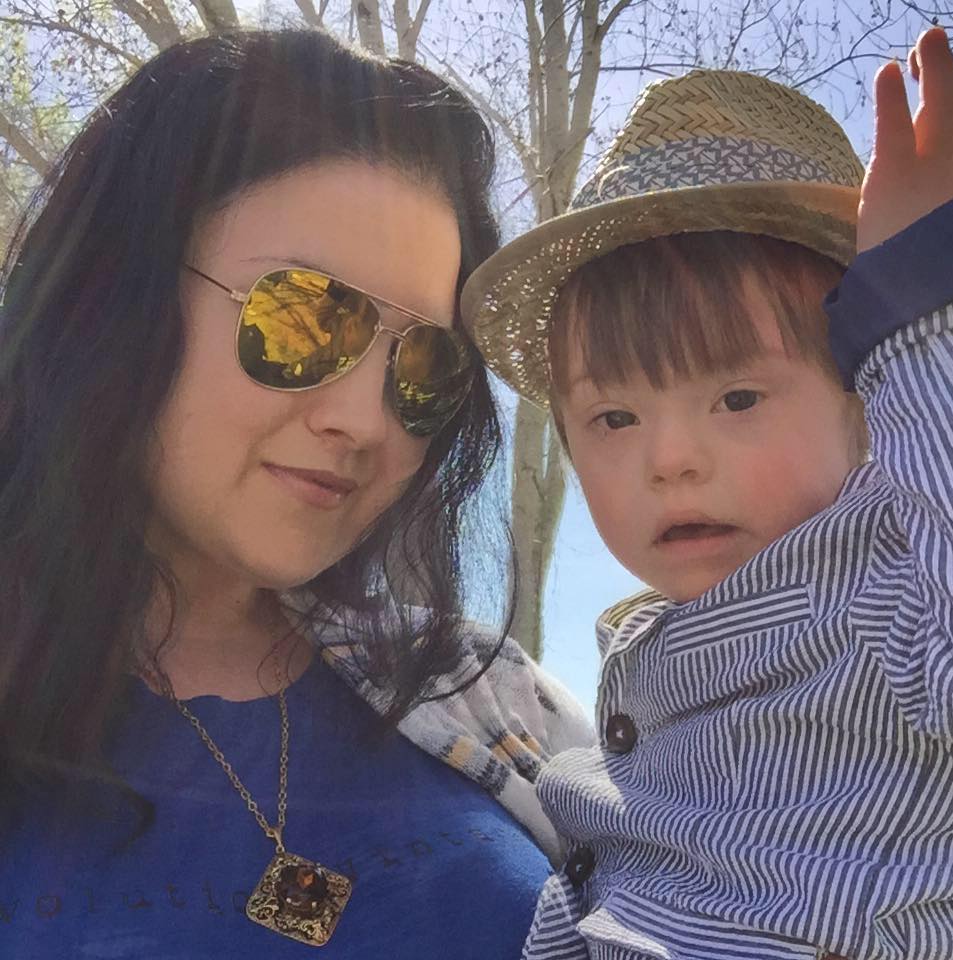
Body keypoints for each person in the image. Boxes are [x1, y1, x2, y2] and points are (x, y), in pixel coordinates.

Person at [0, 29, 594, 959]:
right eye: (306, 316)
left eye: (426, 366)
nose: (368, 421)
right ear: (118, 296)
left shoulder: (488, 692)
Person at [462, 27, 953, 960]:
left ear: (869, 405)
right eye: (614, 419)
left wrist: (919, 318)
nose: (671, 460)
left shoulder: (901, 603)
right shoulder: (638, 666)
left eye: (737, 396)